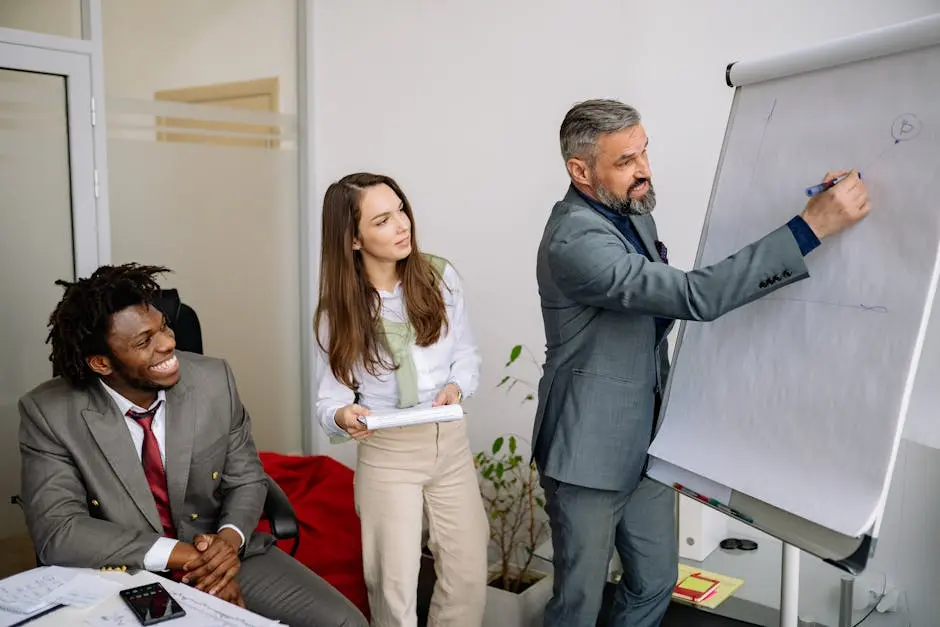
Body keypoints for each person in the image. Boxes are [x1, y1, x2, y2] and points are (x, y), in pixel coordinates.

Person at [533, 99, 870, 627]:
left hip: (644, 442)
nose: (643, 169)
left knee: (655, 581)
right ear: (580, 171)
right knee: (577, 606)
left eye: (643, 152)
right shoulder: (575, 239)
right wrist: (809, 229)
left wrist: (815, 199)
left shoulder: (628, 209)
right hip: (586, 454)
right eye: (625, 161)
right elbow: (694, 295)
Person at [18, 263, 367, 627]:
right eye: (144, 342)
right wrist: (186, 557)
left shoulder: (214, 380)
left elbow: (246, 478)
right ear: (101, 363)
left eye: (163, 327)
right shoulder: (49, 413)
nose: (168, 343)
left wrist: (228, 545)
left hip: (223, 552)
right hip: (122, 569)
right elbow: (59, 529)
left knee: (345, 622)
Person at [314, 172, 488, 627]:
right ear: (353, 239)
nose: (403, 225)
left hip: (449, 441)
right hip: (389, 452)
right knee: (394, 587)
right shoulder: (340, 310)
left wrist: (457, 387)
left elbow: (466, 354)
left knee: (468, 574)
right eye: (383, 220)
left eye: (402, 210)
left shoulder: (440, 277)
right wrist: (341, 414)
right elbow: (328, 400)